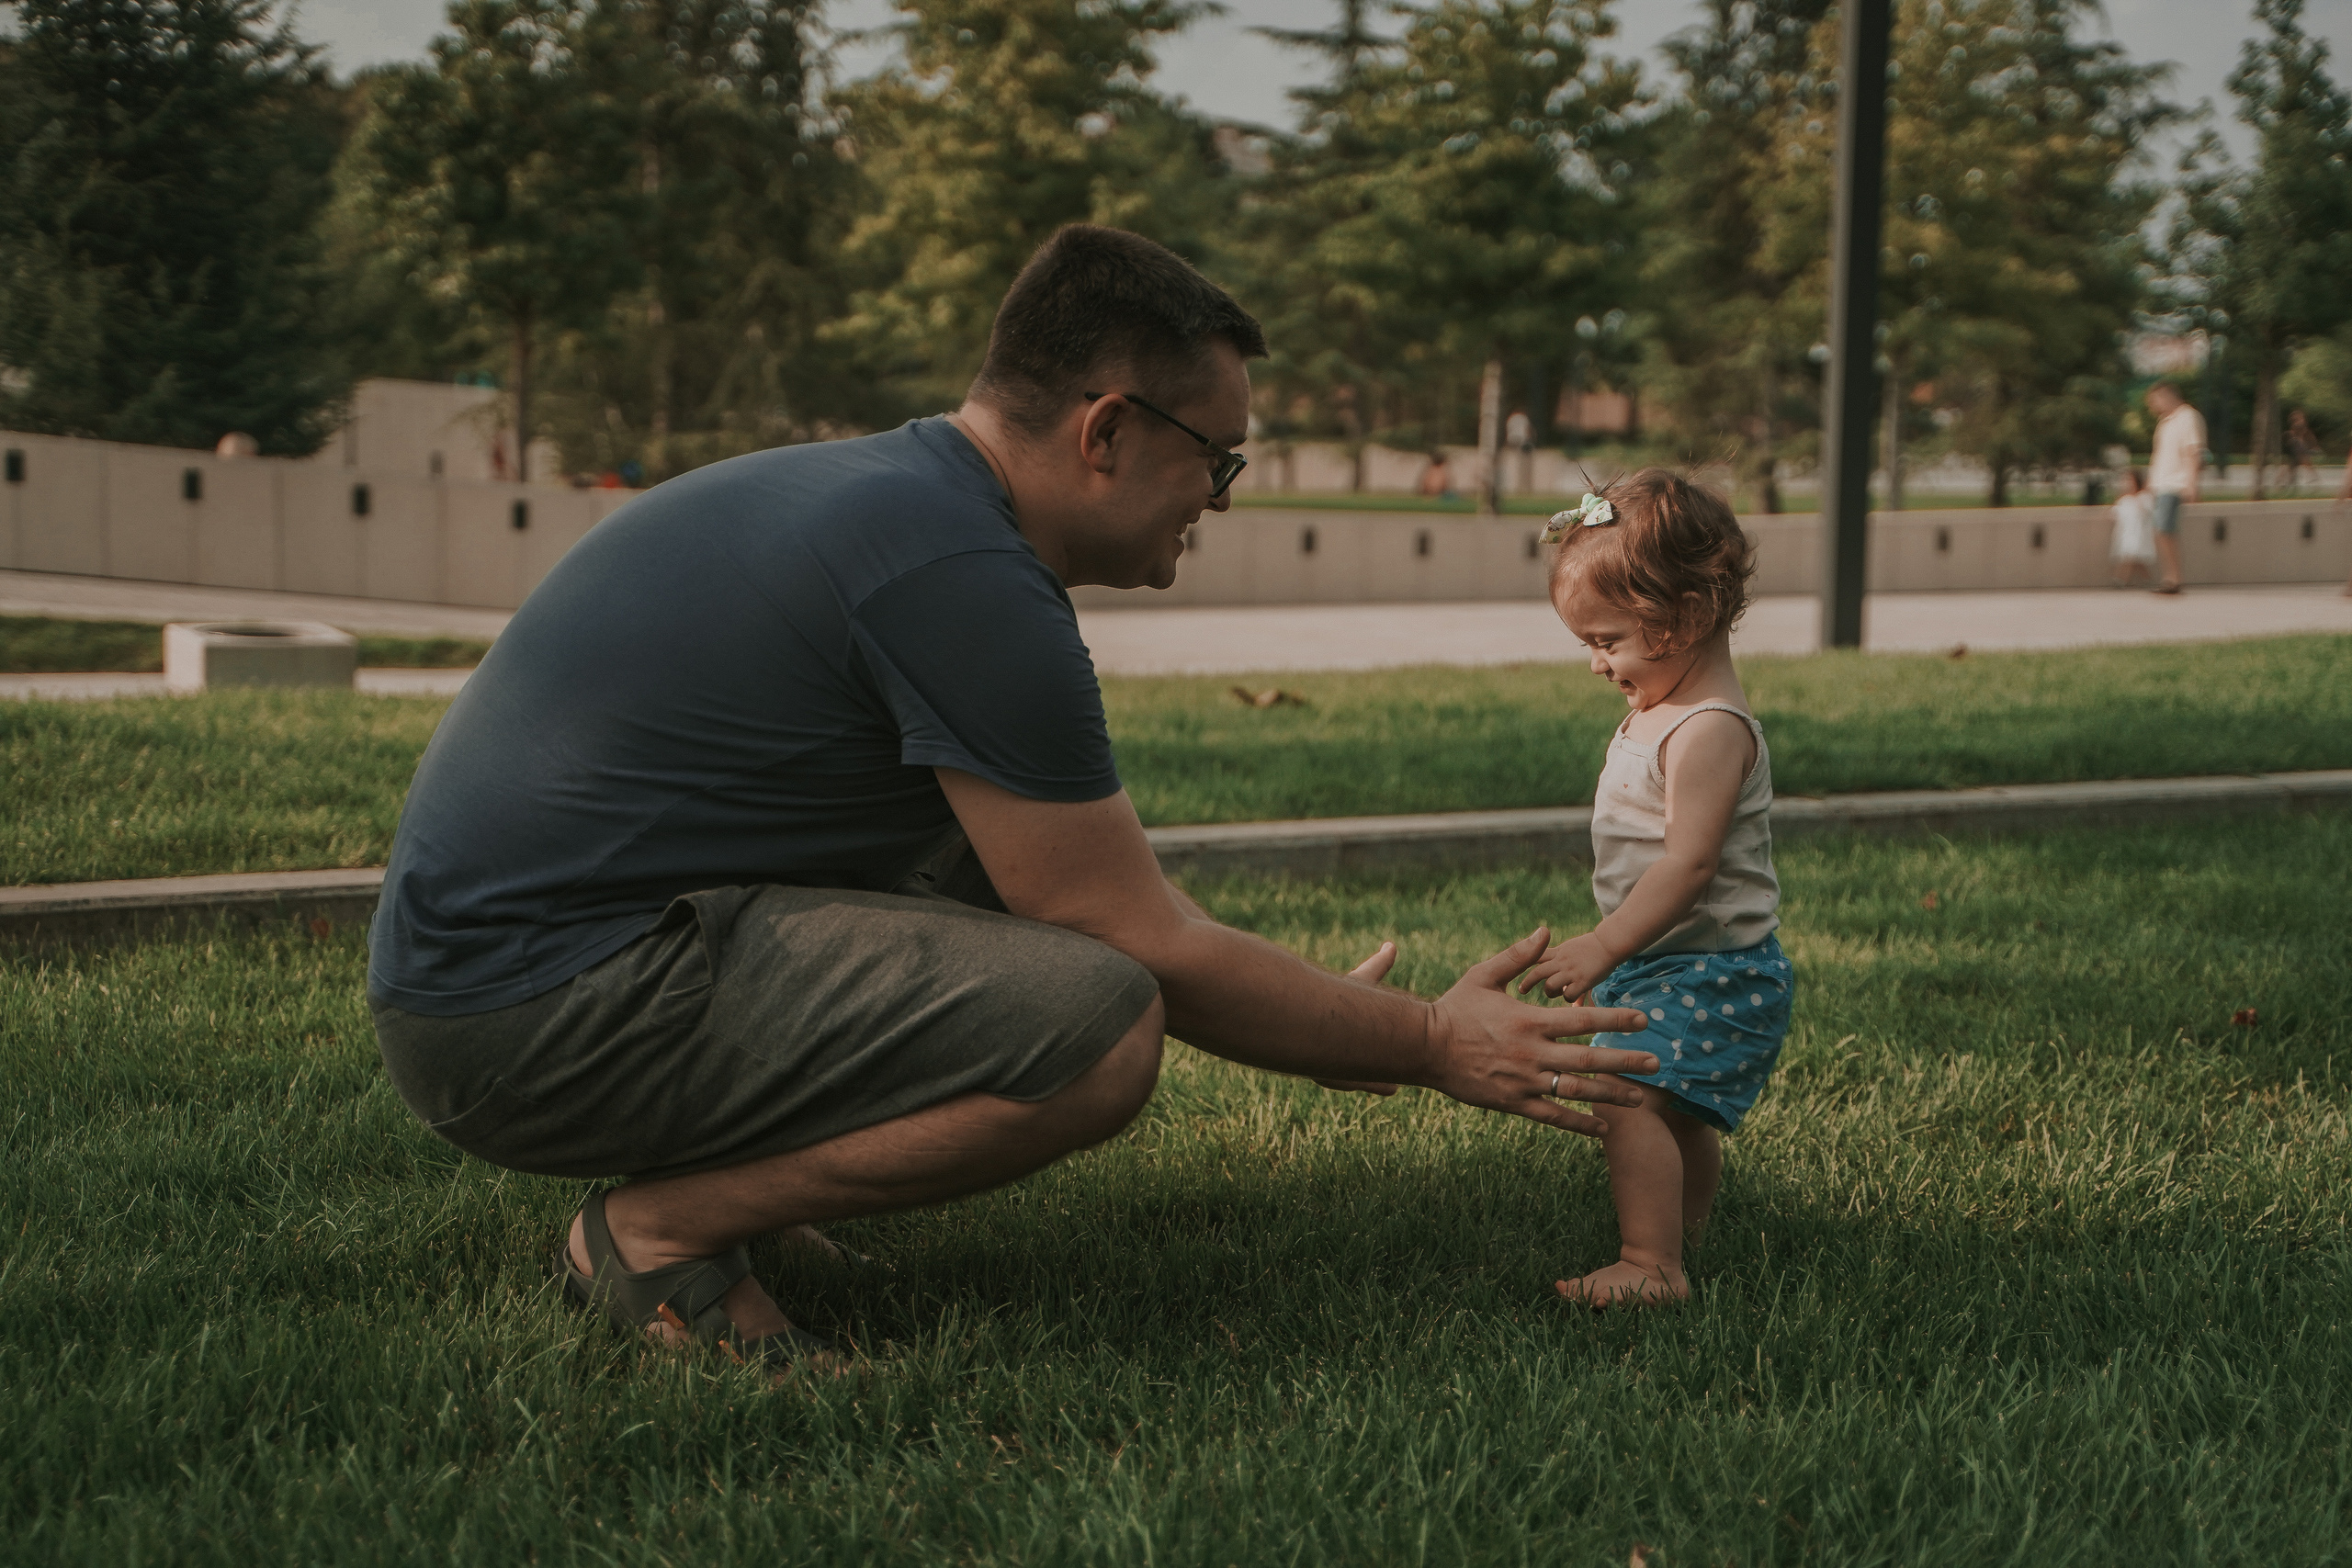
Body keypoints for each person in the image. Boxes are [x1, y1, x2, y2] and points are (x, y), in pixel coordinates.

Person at [367, 225, 1657, 1371]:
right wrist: (1431, 1041)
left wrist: (1320, 1012)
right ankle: (657, 1232)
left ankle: (742, 1191)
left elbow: (1084, 884)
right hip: (521, 1015)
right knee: (1097, 1026)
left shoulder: (894, 499)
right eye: (1218, 462)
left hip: (496, 977)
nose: (1216, 501)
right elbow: (1133, 944)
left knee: (1013, 897)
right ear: (1106, 431)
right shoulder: (961, 572)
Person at [1517, 474, 1792, 1308]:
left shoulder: (1707, 727)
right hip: (1675, 961)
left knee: (1627, 1094)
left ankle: (1651, 1261)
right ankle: (1682, 1237)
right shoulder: (1666, 705)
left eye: (1609, 640)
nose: (1599, 664)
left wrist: (1604, 944)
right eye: (1587, 645)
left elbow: (1688, 866)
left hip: (1712, 969)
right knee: (1674, 1110)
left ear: (1688, 620)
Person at [2144, 382, 2205, 595]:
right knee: (2162, 531)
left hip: (2174, 484)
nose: (2153, 406)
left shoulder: (2188, 417)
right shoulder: (2165, 422)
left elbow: (2193, 451)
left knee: (2165, 530)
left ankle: (2173, 579)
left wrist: (2191, 483)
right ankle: (2170, 577)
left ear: (2167, 396)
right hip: (2162, 484)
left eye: (2155, 400)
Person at [2109, 467, 2156, 588]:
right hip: (2125, 534)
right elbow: (2115, 514)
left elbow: (2147, 511)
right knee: (2136, 560)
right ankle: (2147, 580)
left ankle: (2120, 580)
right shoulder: (2124, 499)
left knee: (2129, 557)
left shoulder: (2144, 497)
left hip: (2138, 534)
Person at [2286, 408, 2318, 491]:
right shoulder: (2298, 425)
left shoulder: (2299, 425)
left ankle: (2313, 477)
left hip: (2299, 446)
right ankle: (2313, 477)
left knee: (2295, 465)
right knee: (2300, 463)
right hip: (2297, 446)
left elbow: (2305, 434)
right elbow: (2300, 434)